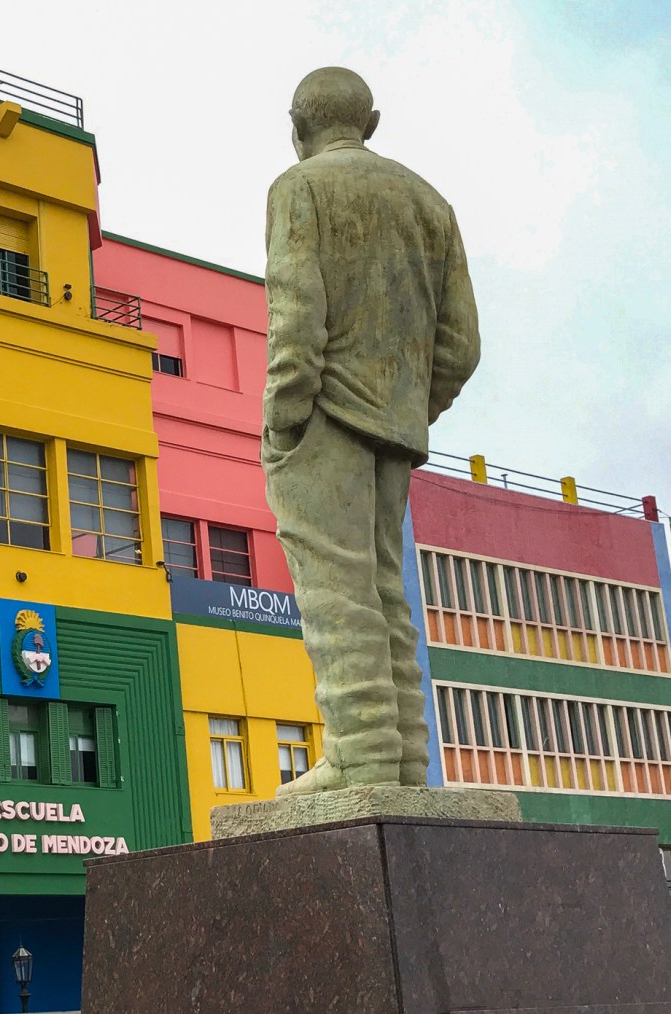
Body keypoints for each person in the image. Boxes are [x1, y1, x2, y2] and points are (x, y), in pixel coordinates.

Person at [263, 66, 480, 795]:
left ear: (297, 126)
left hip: (326, 414)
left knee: (336, 588)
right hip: (394, 422)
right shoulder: (431, 203)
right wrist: (411, 408)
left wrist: (286, 417)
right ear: (373, 121)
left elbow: (296, 316)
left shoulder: (301, 188)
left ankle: (360, 756)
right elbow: (462, 346)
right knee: (386, 589)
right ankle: (404, 760)